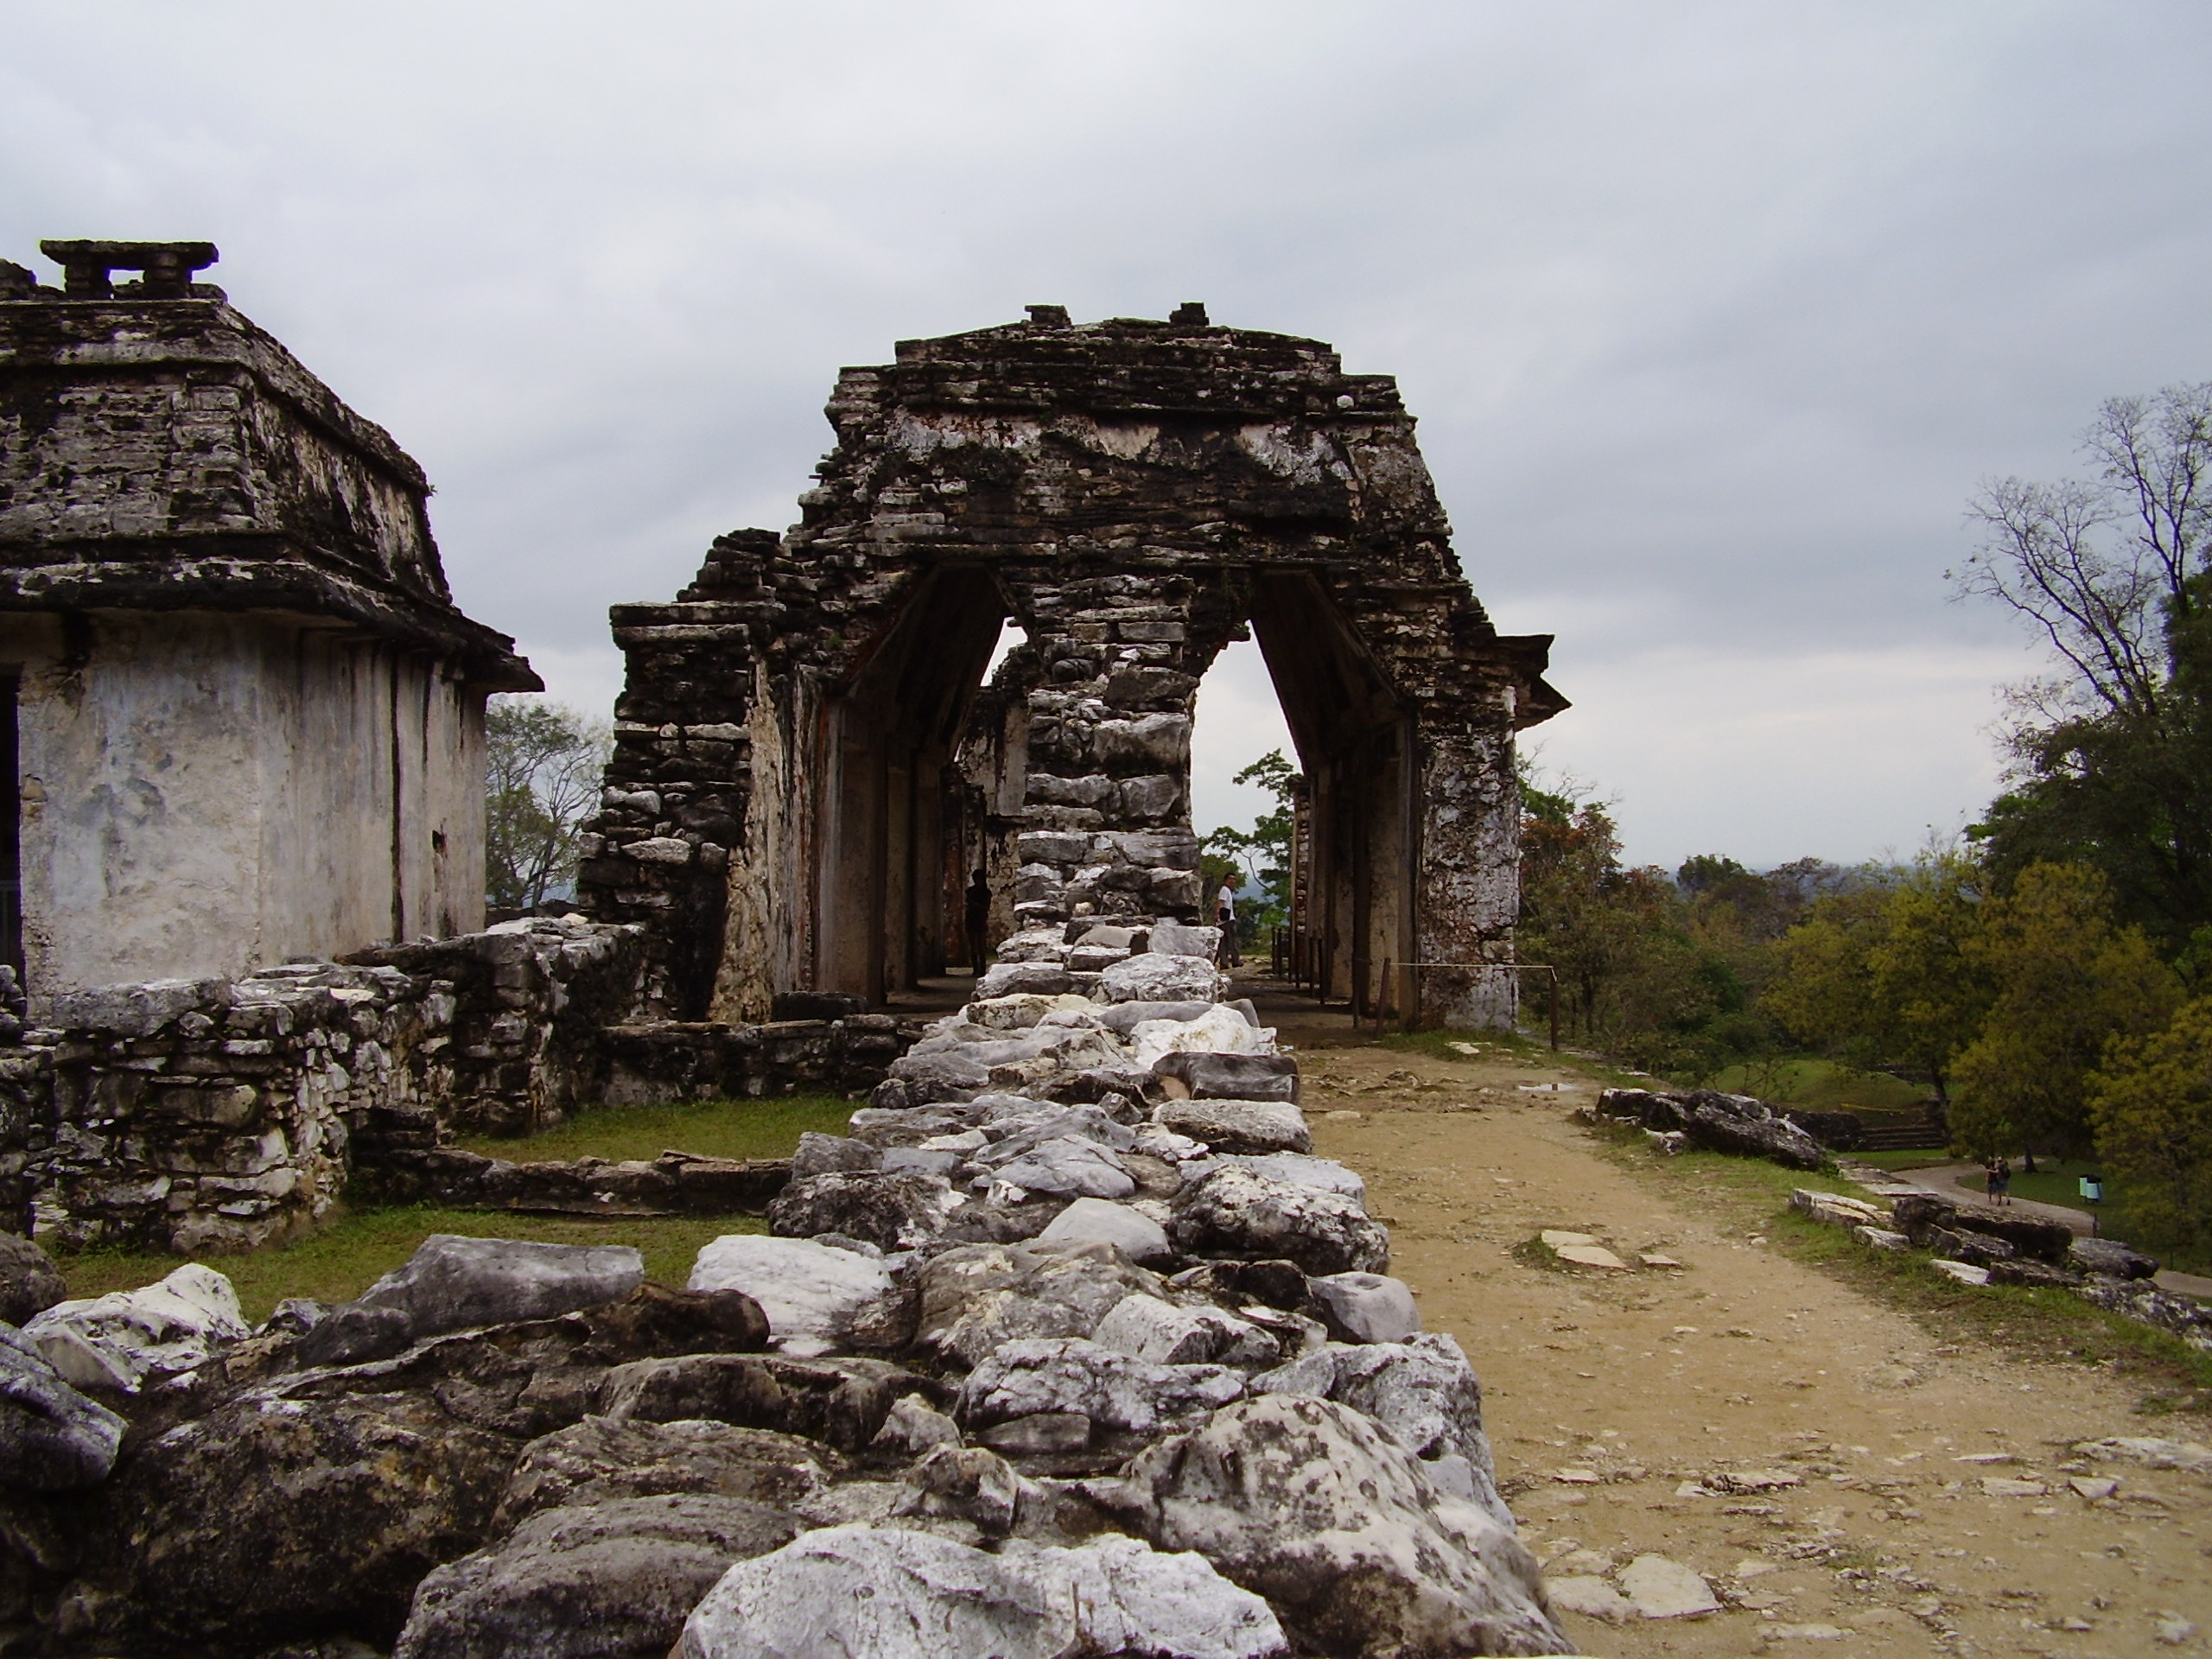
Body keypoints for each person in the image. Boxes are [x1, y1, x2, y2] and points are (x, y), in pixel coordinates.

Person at [963, 868, 992, 977]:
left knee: (980, 946)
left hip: (980, 919)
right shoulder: (970, 891)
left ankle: (981, 969)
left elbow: (986, 906)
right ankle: (976, 969)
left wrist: (976, 905)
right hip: (972, 919)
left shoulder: (986, 892)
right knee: (974, 946)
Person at [1216, 879, 1241, 967]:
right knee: (1232, 941)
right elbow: (1221, 902)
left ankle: (1224, 962)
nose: (1232, 881)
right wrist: (1217, 913)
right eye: (1230, 879)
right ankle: (1236, 961)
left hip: (1224, 920)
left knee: (1223, 943)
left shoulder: (1227, 891)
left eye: (1234, 879)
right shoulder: (1225, 890)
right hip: (1227, 920)